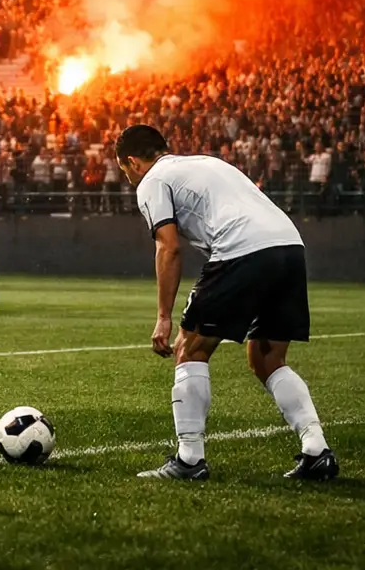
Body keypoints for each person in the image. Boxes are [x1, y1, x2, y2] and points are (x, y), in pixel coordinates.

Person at [116, 124, 338, 481]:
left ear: (131, 161)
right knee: (266, 357)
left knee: (189, 349)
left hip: (242, 248)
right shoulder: (205, 163)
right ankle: (316, 450)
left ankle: (189, 459)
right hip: (289, 248)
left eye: (123, 170)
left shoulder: (152, 180)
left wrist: (163, 317)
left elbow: (168, 246)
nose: (126, 177)